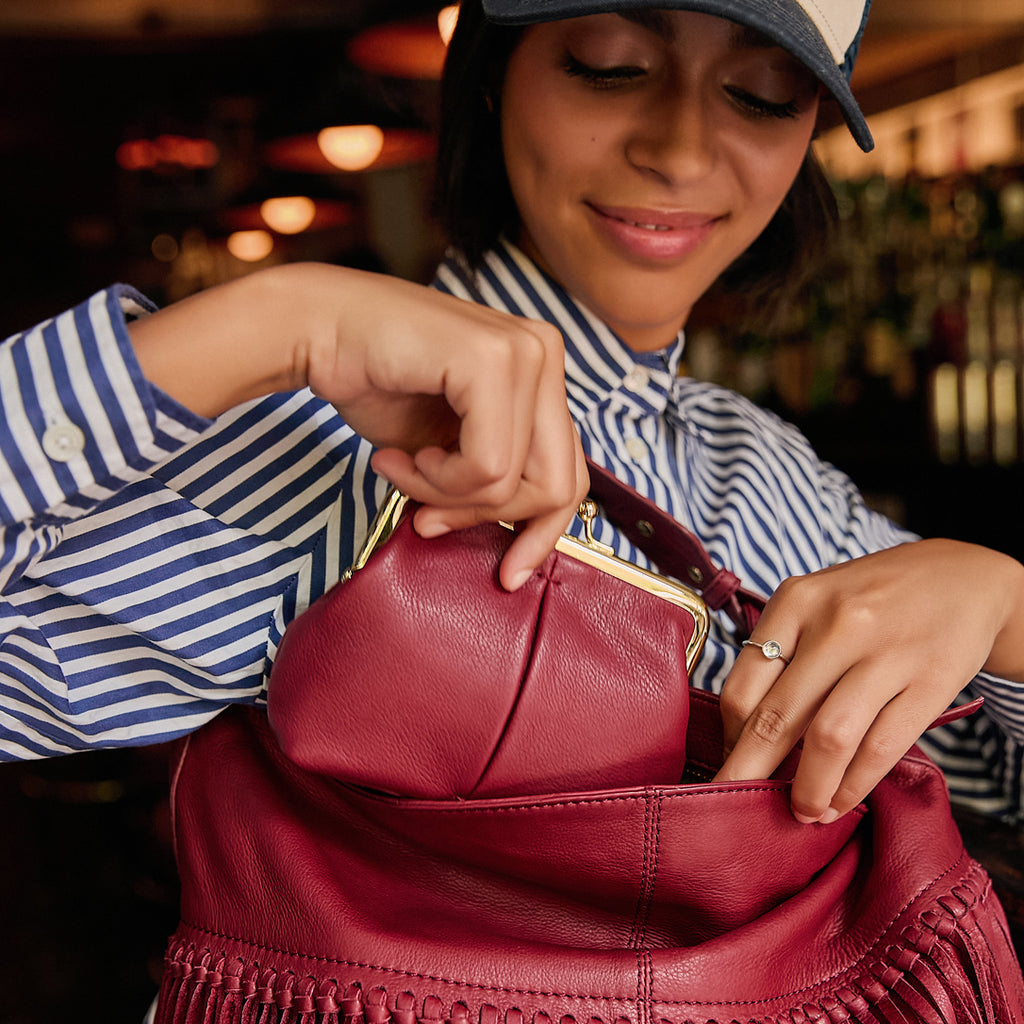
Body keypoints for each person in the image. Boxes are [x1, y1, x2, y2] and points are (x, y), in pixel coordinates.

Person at [2, 0, 1022, 858]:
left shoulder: (765, 465)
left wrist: (1003, 609)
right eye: (608, 68)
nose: (678, 150)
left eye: (759, 95)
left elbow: (992, 786)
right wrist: (270, 324)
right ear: (489, 76)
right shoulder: (322, 435)